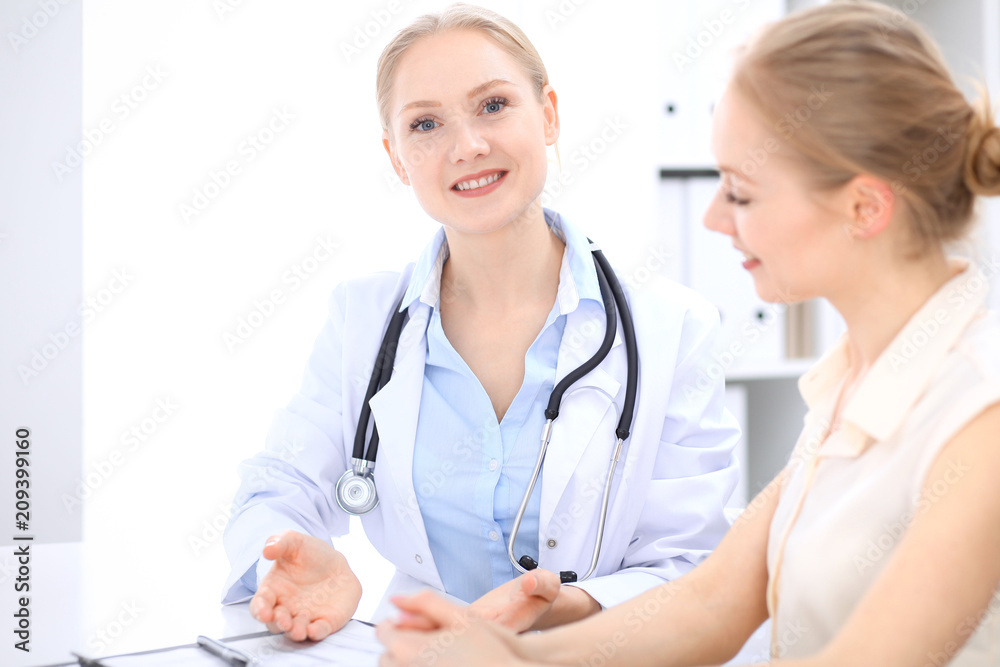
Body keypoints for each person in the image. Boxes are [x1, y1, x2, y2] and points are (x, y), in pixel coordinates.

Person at [375, 1, 1000, 665]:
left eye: (741, 192)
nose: (712, 219)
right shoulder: (858, 378)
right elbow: (711, 604)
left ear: (864, 207)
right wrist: (515, 655)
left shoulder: (978, 413)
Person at [221, 3, 742, 643]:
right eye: (425, 124)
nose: (467, 146)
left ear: (548, 115)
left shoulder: (671, 329)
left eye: (493, 105)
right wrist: (288, 557)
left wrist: (557, 608)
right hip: (416, 654)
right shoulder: (363, 318)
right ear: (396, 157)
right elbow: (279, 483)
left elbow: (691, 565)